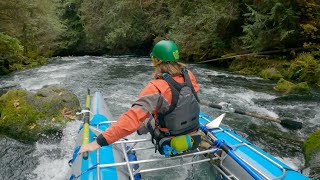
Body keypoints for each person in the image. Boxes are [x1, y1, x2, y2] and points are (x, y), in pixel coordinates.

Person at [78, 40, 201, 156]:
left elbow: (131, 119)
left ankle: (134, 135)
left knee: (144, 120)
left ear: (156, 61)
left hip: (169, 138)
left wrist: (98, 142)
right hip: (192, 132)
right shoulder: (189, 75)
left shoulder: (156, 87)